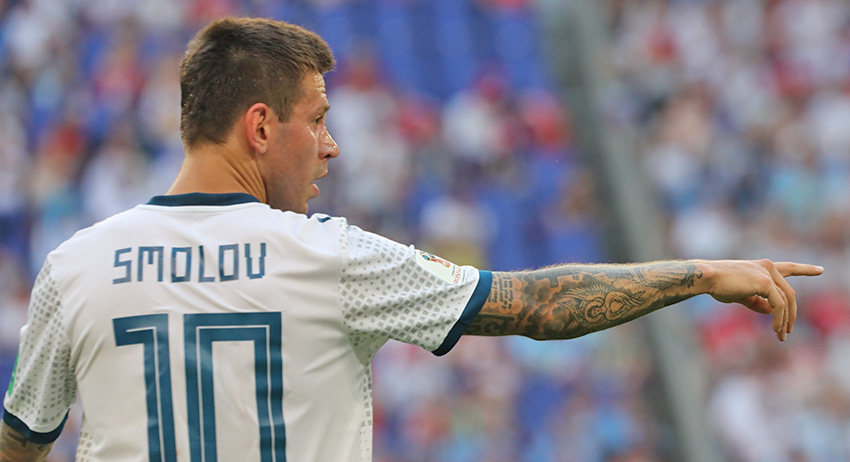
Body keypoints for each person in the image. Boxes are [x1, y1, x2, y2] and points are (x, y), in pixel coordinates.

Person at [0, 17, 823, 462]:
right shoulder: (329, 257)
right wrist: (698, 274)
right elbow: (536, 305)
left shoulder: (75, 267)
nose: (330, 146)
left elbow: (21, 443)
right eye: (317, 121)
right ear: (260, 127)